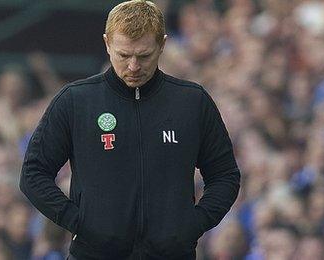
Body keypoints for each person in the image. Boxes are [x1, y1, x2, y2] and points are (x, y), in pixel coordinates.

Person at [19, 1, 241, 259]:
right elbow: (33, 173)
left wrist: (194, 224)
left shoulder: (192, 102)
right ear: (106, 44)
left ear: (162, 45)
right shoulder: (75, 101)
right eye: (124, 55)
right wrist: (79, 222)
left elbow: (225, 175)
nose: (134, 66)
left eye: (144, 55)